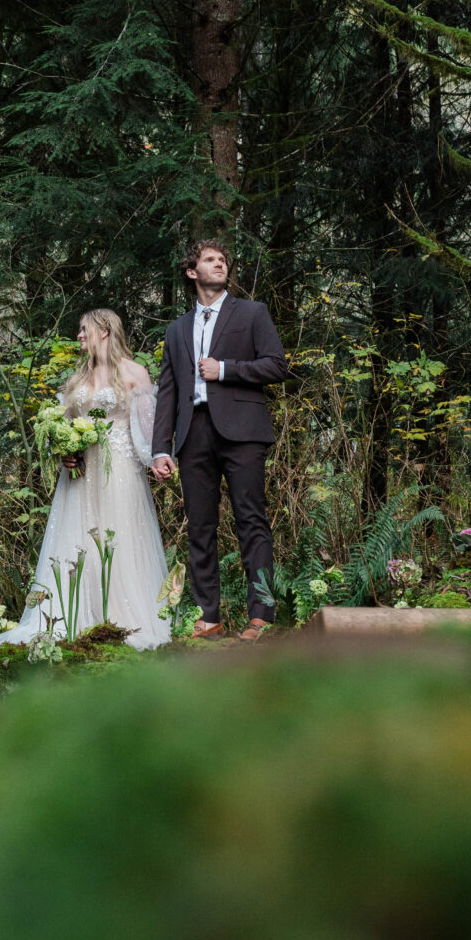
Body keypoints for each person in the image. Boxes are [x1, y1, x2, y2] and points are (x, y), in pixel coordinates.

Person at [0, 309, 171, 651]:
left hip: (119, 470)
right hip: (80, 474)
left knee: (118, 537)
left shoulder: (134, 373)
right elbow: (62, 427)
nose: (78, 335)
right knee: (78, 540)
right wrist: (64, 451)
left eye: (83, 330)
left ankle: (125, 617)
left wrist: (157, 461)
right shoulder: (77, 381)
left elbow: (147, 430)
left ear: (104, 331)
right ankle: (75, 616)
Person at [151, 240, 288, 640]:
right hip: (194, 435)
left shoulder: (251, 312)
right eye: (210, 260)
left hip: (243, 432)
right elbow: (168, 391)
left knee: (251, 520)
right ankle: (208, 616)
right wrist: (162, 447)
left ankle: (260, 614)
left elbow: (277, 365)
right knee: (200, 527)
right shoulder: (177, 329)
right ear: (192, 272)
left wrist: (225, 369)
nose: (219, 264)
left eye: (223, 260)